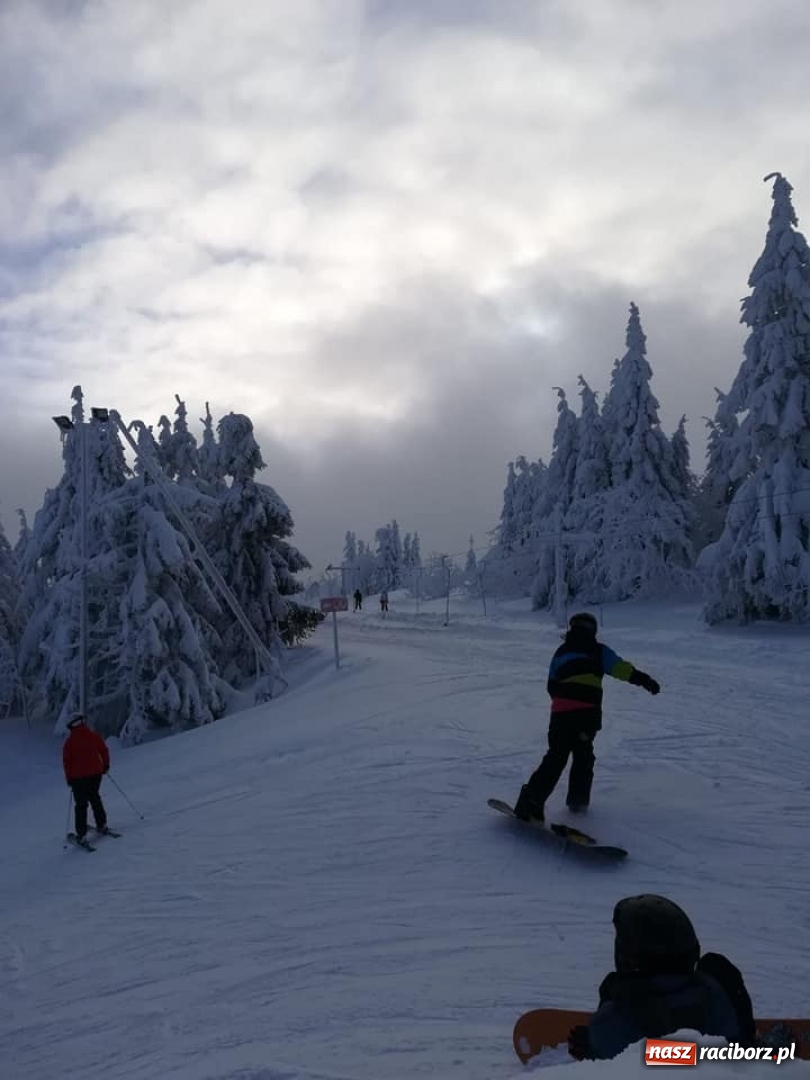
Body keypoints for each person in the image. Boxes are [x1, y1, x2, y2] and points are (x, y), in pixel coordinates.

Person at [567, 894, 755, 1060]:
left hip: (640, 1046)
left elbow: (655, 1055)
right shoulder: (714, 992)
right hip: (725, 1056)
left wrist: (593, 1047)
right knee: (715, 965)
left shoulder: (614, 1018)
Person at [514, 611, 660, 821]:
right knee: (583, 757)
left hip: (560, 715)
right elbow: (622, 669)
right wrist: (645, 680)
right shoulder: (598, 651)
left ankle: (530, 801)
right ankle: (578, 804)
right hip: (586, 715)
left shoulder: (561, 652)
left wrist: (563, 703)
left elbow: (551, 684)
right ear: (593, 630)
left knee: (556, 756)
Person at [63, 713, 111, 840]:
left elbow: (67, 763)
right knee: (95, 798)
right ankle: (102, 824)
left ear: (71, 726)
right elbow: (104, 750)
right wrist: (105, 765)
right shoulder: (93, 736)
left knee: (81, 805)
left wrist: (69, 779)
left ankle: (81, 834)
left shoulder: (69, 743)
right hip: (95, 775)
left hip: (78, 779)